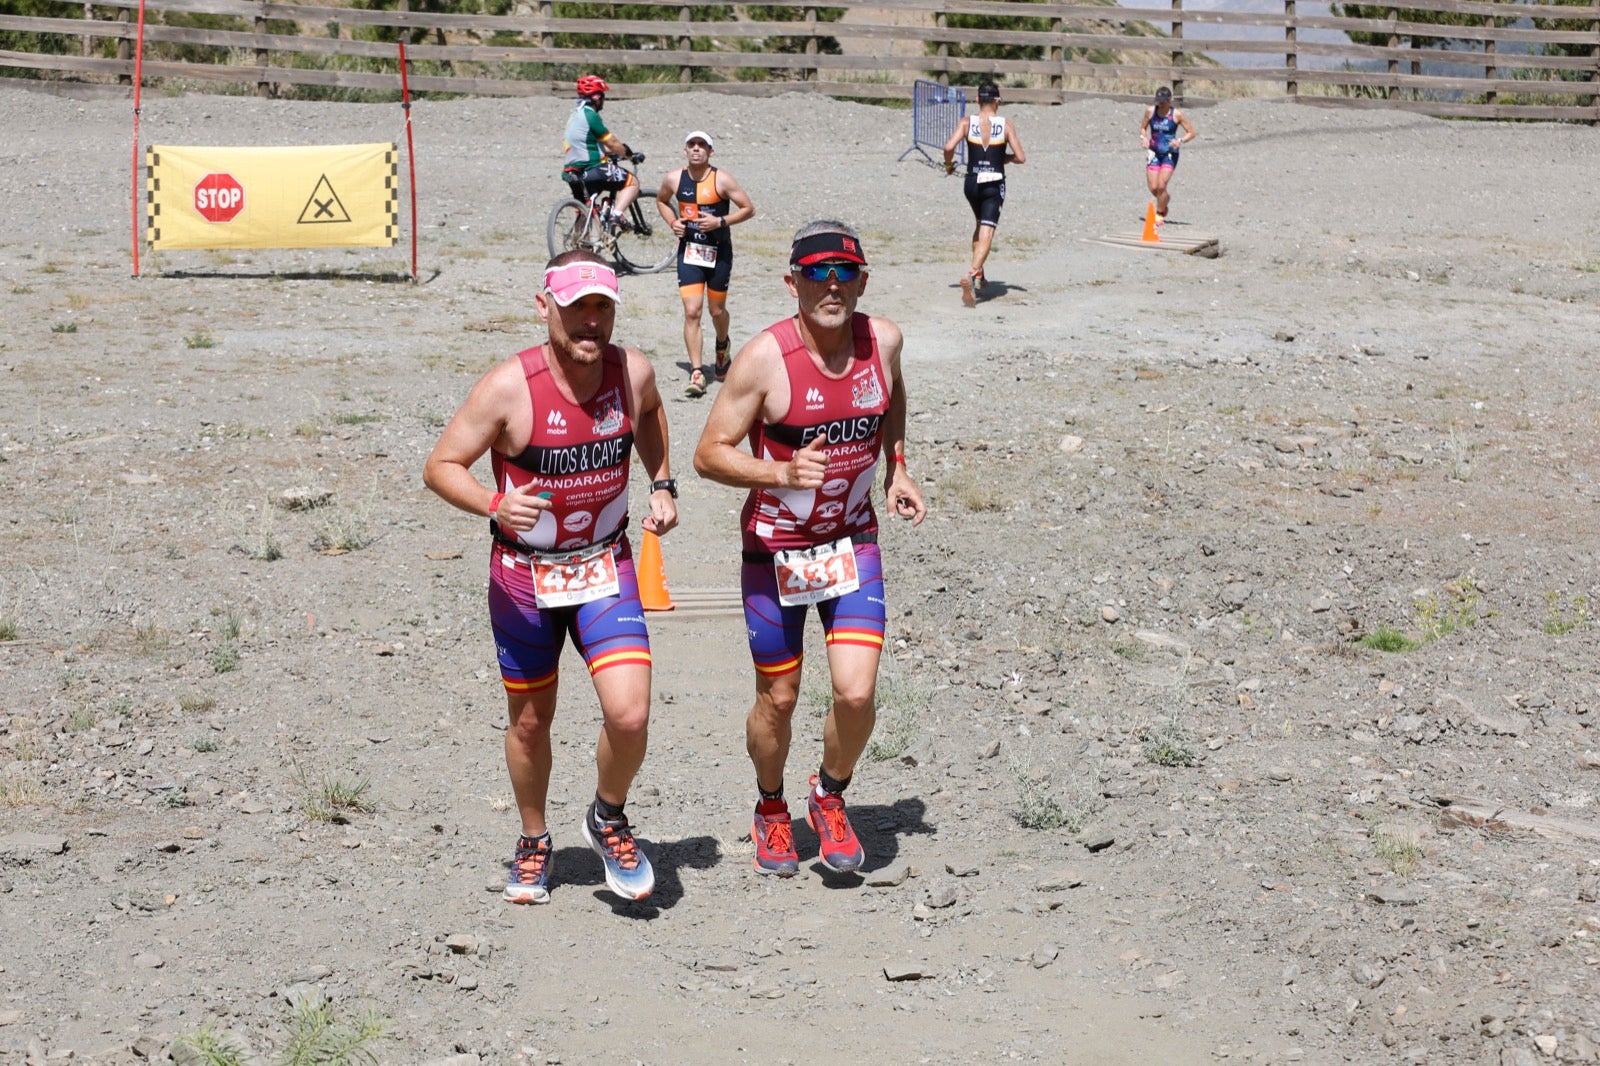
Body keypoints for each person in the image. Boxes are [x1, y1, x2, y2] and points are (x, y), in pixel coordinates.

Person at [423, 249, 679, 905]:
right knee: (531, 723)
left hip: (604, 567)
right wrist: (492, 502)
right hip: (524, 579)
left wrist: (664, 482)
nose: (591, 323)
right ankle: (535, 840)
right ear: (546, 308)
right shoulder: (509, 387)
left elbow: (650, 416)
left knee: (630, 713)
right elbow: (442, 464)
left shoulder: (634, 373)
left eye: (603, 308)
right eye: (577, 309)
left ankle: (608, 815)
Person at [692, 221, 927, 878]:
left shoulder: (884, 341)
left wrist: (897, 467)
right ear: (791, 281)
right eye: (817, 273)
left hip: (853, 541)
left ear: (863, 281)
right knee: (781, 698)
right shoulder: (765, 358)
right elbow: (708, 454)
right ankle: (771, 808)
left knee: (855, 694)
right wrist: (779, 473)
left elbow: (893, 395)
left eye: (845, 272)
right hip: (776, 554)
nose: (832, 284)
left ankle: (828, 795)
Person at [655, 130, 757, 399]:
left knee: (716, 310)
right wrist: (673, 222)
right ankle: (697, 372)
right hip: (690, 252)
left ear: (711, 151)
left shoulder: (721, 179)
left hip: (719, 252)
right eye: (692, 144)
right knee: (692, 311)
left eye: (702, 145)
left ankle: (722, 346)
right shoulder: (674, 179)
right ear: (685, 150)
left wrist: (720, 222)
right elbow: (661, 201)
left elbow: (748, 208)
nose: (696, 149)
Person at [942, 80, 1025, 309]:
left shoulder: (967, 122)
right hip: (994, 183)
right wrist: (1003, 158)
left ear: (977, 100)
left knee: (979, 225)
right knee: (987, 231)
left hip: (971, 183)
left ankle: (979, 276)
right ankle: (971, 273)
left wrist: (949, 166)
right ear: (998, 101)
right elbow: (1020, 157)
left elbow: (949, 148)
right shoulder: (1005, 124)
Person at [561, 75, 643, 233]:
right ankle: (617, 215)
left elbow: (587, 145)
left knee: (584, 210)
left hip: (573, 173)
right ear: (597, 97)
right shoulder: (590, 115)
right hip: (593, 169)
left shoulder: (574, 116)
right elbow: (611, 143)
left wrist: (610, 153)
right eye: (603, 96)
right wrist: (630, 156)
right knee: (632, 182)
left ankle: (580, 245)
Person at [1140, 86, 1195, 224]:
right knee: (1153, 188)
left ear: (1170, 100)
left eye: (1164, 101)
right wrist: (1144, 138)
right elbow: (1143, 128)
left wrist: (1180, 141)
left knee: (1161, 185)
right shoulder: (1150, 111)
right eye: (1159, 101)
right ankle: (1164, 201)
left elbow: (1191, 132)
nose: (1161, 104)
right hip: (1154, 152)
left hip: (1170, 153)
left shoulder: (1176, 114)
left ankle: (1159, 213)